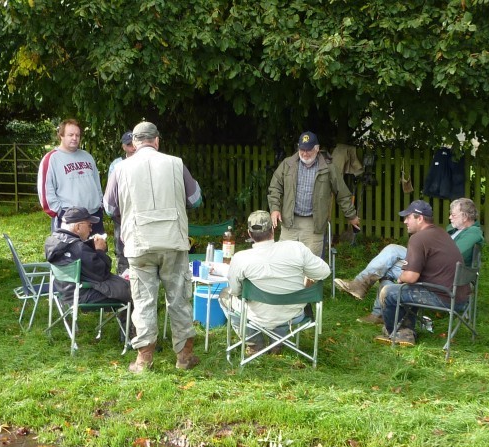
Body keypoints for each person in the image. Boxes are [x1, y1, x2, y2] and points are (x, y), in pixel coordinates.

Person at [103, 121, 202, 373]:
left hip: (139, 244)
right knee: (179, 298)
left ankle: (144, 361)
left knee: (143, 300)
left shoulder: (121, 169)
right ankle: (184, 358)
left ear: (134, 143)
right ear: (157, 140)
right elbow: (195, 199)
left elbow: (110, 208)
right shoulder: (176, 164)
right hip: (173, 242)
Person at [335, 198, 483, 324]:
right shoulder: (454, 230)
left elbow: (451, 254)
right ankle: (376, 308)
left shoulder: (473, 233)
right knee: (391, 254)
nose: (450, 217)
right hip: (434, 267)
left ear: (465, 216)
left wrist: (419, 256)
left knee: (390, 260)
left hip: (444, 276)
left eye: (453, 215)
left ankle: (369, 299)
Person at [219, 210, 330, 355]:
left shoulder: (240, 258)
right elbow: (324, 272)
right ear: (272, 228)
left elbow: (235, 291)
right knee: (282, 301)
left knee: (224, 296)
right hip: (294, 313)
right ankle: (278, 341)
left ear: (249, 233)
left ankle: (254, 344)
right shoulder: (296, 248)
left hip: (257, 315)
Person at [372, 200, 468, 347]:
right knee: (409, 288)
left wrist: (400, 278)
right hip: (460, 296)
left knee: (389, 292)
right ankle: (406, 330)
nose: (405, 222)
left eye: (408, 217)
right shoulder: (440, 233)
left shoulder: (418, 238)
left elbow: (410, 277)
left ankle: (399, 333)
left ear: (420, 218)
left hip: (444, 297)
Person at [267, 131, 360, 257]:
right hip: (289, 221)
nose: (305, 153)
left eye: (309, 150)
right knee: (285, 259)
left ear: (317, 149)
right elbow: (275, 187)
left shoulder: (329, 168)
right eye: (302, 149)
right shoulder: (287, 164)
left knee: (311, 264)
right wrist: (275, 209)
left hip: (314, 223)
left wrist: (351, 216)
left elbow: (342, 194)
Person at [44, 207, 131, 308]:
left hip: (64, 292)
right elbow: (102, 274)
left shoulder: (52, 242)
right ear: (78, 227)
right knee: (133, 293)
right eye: (89, 225)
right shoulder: (78, 248)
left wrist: (89, 247)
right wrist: (100, 251)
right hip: (83, 294)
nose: (91, 229)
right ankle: (131, 323)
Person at [37, 119, 105, 234]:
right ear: (61, 136)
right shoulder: (51, 159)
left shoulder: (87, 156)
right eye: (70, 135)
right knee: (73, 251)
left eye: (77, 135)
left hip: (94, 216)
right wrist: (60, 213)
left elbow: (96, 184)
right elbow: (46, 191)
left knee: (98, 250)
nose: (74, 138)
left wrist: (100, 204)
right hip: (70, 219)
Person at [106, 131, 136, 275]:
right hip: (121, 213)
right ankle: (122, 278)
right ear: (123, 146)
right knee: (121, 248)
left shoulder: (145, 161)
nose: (133, 147)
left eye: (134, 143)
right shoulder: (117, 164)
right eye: (129, 145)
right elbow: (111, 191)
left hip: (139, 211)